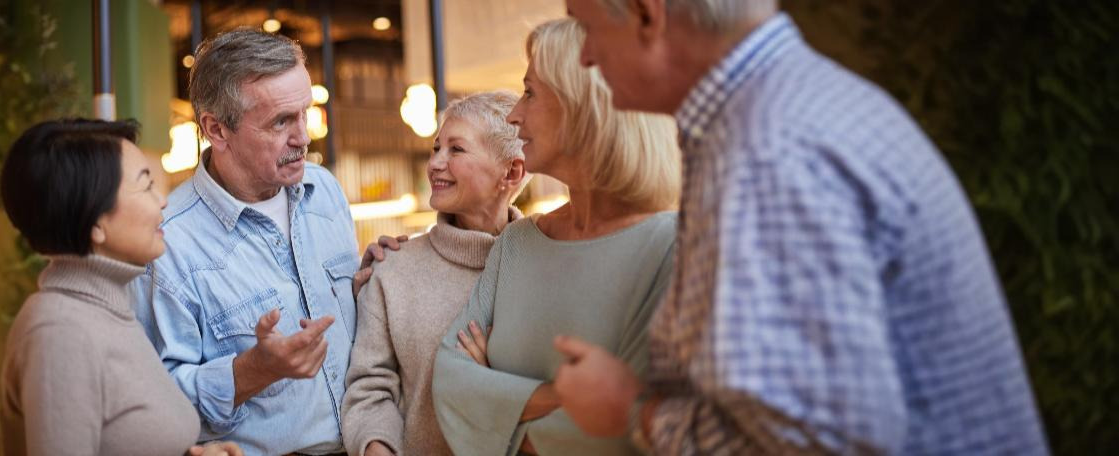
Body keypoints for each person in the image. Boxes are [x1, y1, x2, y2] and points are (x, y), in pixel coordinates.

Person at [552, 0, 1049, 453]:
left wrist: (633, 412)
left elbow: (822, 442)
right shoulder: (791, 109)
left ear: (646, 15)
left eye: (587, 27)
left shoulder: (766, 152)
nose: (587, 57)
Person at [430, 18, 681, 456]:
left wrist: (498, 405)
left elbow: (632, 430)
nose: (514, 115)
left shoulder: (672, 248)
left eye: (530, 92)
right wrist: (569, 399)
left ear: (584, 105)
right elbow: (451, 378)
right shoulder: (517, 243)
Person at [130, 29, 361, 455]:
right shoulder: (167, 244)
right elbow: (151, 406)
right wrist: (249, 372)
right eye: (280, 122)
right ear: (217, 129)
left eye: (305, 113)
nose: (304, 137)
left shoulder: (325, 191)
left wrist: (376, 276)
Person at [0, 118, 241, 456]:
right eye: (145, 186)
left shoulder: (107, 308)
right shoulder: (60, 331)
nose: (162, 201)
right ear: (94, 220)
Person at [341, 91, 530, 456]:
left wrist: (494, 384)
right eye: (436, 148)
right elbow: (369, 389)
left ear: (512, 171)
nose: (435, 164)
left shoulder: (545, 264)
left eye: (456, 150)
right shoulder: (393, 269)